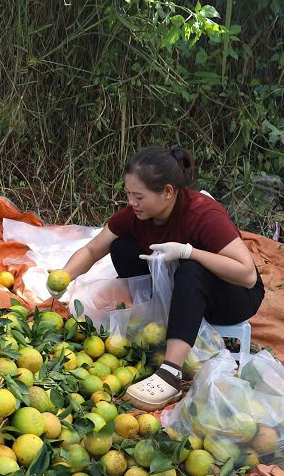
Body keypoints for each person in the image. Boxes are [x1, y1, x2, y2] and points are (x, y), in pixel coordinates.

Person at [60, 145, 264, 411]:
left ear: (167, 192)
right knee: (122, 247)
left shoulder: (202, 214)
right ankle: (155, 321)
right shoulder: (137, 215)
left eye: (138, 196)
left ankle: (171, 374)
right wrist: (63, 277)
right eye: (129, 195)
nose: (131, 203)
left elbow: (247, 275)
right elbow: (92, 249)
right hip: (182, 289)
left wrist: (188, 251)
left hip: (233, 296)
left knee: (191, 269)